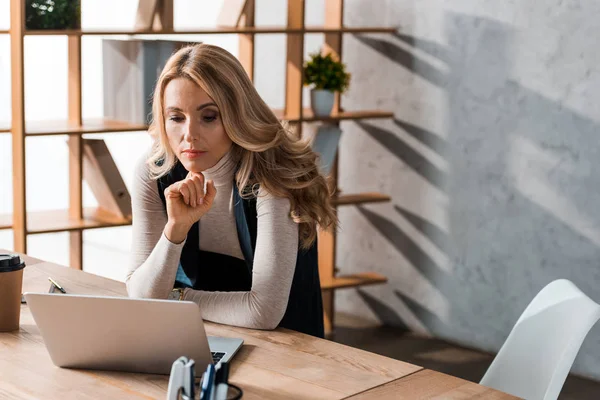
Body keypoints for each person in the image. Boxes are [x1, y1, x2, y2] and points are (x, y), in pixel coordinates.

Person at [126, 43, 336, 338]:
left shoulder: (272, 178)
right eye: (176, 117)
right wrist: (175, 230)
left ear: (236, 113)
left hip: (289, 347)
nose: (189, 135)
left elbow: (263, 311)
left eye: (208, 116)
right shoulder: (154, 172)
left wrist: (176, 298)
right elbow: (140, 294)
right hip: (201, 334)